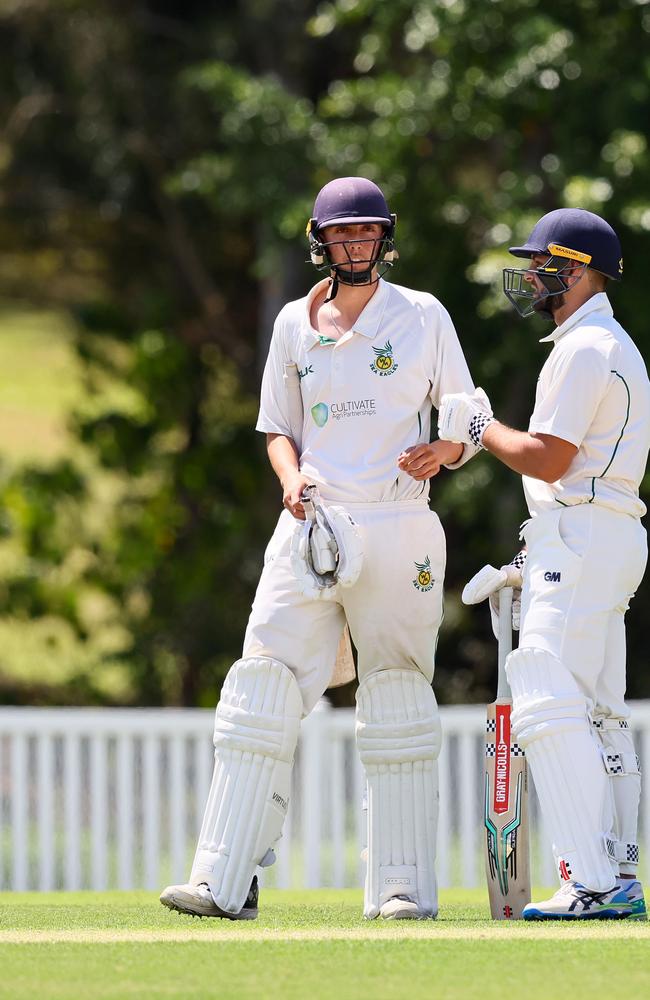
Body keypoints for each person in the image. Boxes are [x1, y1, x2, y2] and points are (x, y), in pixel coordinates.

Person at [160, 176, 479, 921]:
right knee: (260, 687)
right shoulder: (292, 325)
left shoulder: (422, 315)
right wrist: (290, 476)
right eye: (343, 234)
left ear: (383, 237)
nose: (356, 244)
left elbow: (469, 408)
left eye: (367, 232)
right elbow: (278, 427)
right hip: (311, 526)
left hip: (398, 523)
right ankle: (225, 878)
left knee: (396, 693)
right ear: (321, 240)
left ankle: (400, 888)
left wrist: (447, 452)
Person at [438, 208, 650, 920]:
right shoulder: (604, 342)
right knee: (597, 716)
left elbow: (548, 457)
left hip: (583, 534)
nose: (532, 277)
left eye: (545, 266)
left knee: (545, 705)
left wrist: (479, 426)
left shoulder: (586, 347)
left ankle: (591, 881)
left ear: (581, 272)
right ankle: (617, 873)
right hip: (600, 536)